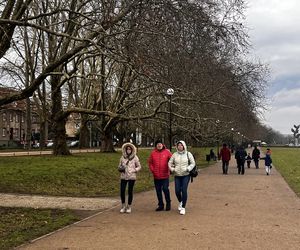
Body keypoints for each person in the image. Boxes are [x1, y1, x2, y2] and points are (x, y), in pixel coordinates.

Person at [168, 140, 195, 215]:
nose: (180, 146)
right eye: (178, 145)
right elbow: (169, 163)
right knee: (177, 191)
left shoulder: (188, 154)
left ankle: (183, 207)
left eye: (181, 145)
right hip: (177, 175)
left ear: (184, 146)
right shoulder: (174, 154)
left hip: (186, 175)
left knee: (184, 190)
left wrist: (188, 168)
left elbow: (193, 163)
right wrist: (173, 169)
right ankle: (181, 201)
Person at [148, 139, 172, 211]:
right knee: (158, 191)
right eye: (158, 144)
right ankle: (161, 204)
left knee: (165, 189)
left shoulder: (167, 152)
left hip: (165, 175)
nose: (159, 145)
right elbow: (150, 163)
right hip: (156, 176)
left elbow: (172, 160)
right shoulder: (153, 153)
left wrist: (171, 167)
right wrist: (153, 170)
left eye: (160, 144)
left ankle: (168, 203)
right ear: (156, 145)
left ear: (162, 145)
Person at [118, 142, 142, 213]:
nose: (128, 150)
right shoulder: (122, 157)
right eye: (127, 149)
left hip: (132, 176)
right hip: (123, 176)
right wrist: (120, 168)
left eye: (129, 149)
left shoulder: (135, 157)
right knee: (122, 191)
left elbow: (139, 166)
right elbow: (119, 165)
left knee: (130, 191)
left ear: (132, 150)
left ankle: (129, 206)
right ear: (125, 150)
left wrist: (135, 170)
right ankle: (123, 206)